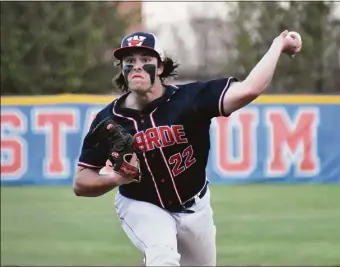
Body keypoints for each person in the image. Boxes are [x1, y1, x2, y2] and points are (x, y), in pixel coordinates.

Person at [73, 30, 302, 266]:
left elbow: (249, 89)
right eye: (129, 61)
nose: (137, 66)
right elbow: (81, 182)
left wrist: (278, 45)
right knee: (163, 257)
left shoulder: (189, 99)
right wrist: (116, 178)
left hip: (195, 206)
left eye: (145, 60)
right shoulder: (109, 119)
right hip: (141, 204)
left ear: (160, 67)